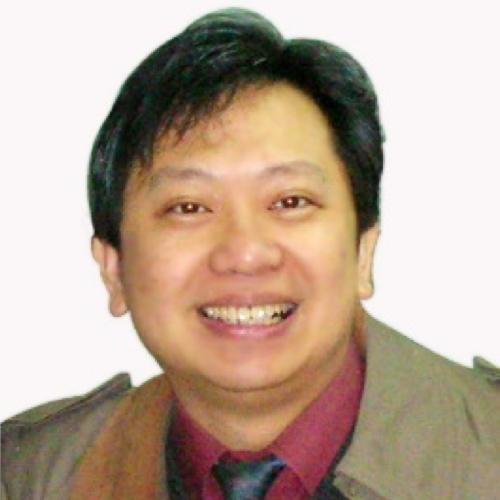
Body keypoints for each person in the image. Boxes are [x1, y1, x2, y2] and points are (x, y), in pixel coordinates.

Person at [1, 7, 499, 500]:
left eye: (290, 202)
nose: (244, 253)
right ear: (114, 270)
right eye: (189, 207)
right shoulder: (28, 478)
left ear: (363, 253)